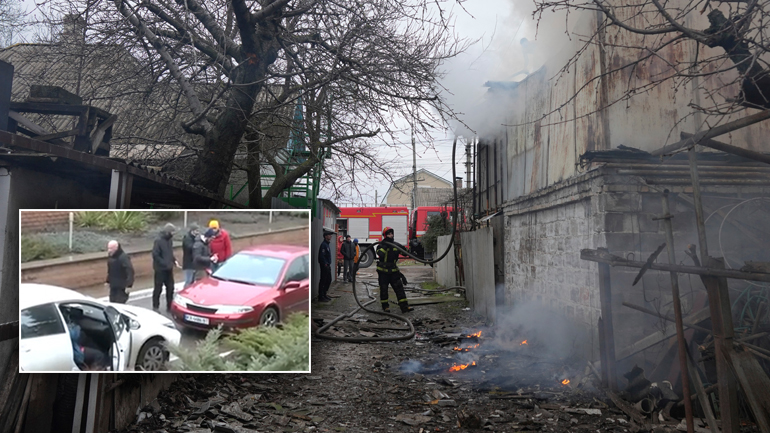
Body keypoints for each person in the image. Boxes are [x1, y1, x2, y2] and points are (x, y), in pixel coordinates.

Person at [376, 227, 413, 313]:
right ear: (385, 235)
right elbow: (380, 253)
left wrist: (413, 249)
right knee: (384, 290)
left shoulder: (396, 245)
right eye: (389, 234)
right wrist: (386, 246)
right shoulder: (380, 245)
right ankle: (385, 307)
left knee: (400, 289)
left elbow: (405, 252)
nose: (391, 235)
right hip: (383, 272)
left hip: (393, 271)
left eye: (392, 234)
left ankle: (404, 307)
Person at [152, 223, 179, 312]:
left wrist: (174, 260)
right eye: (172, 232)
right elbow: (155, 255)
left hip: (169, 269)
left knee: (170, 288)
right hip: (160, 269)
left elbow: (170, 253)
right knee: (158, 288)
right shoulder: (158, 241)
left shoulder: (169, 241)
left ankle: (169, 305)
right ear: (168, 232)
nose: (173, 234)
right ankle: (155, 306)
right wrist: (165, 263)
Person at [317, 230, 334, 302]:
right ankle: (321, 296)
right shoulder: (323, 245)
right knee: (323, 280)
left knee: (328, 280)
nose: (331, 236)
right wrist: (325, 264)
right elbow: (321, 256)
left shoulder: (327, 244)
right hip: (325, 265)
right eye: (329, 235)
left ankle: (324, 294)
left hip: (327, 265)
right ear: (326, 236)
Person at [182, 223, 200, 288]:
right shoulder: (187, 238)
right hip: (188, 264)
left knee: (192, 281)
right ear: (192, 231)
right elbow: (189, 247)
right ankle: (185, 293)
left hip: (194, 263)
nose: (198, 232)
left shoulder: (195, 238)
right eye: (196, 231)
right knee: (188, 281)